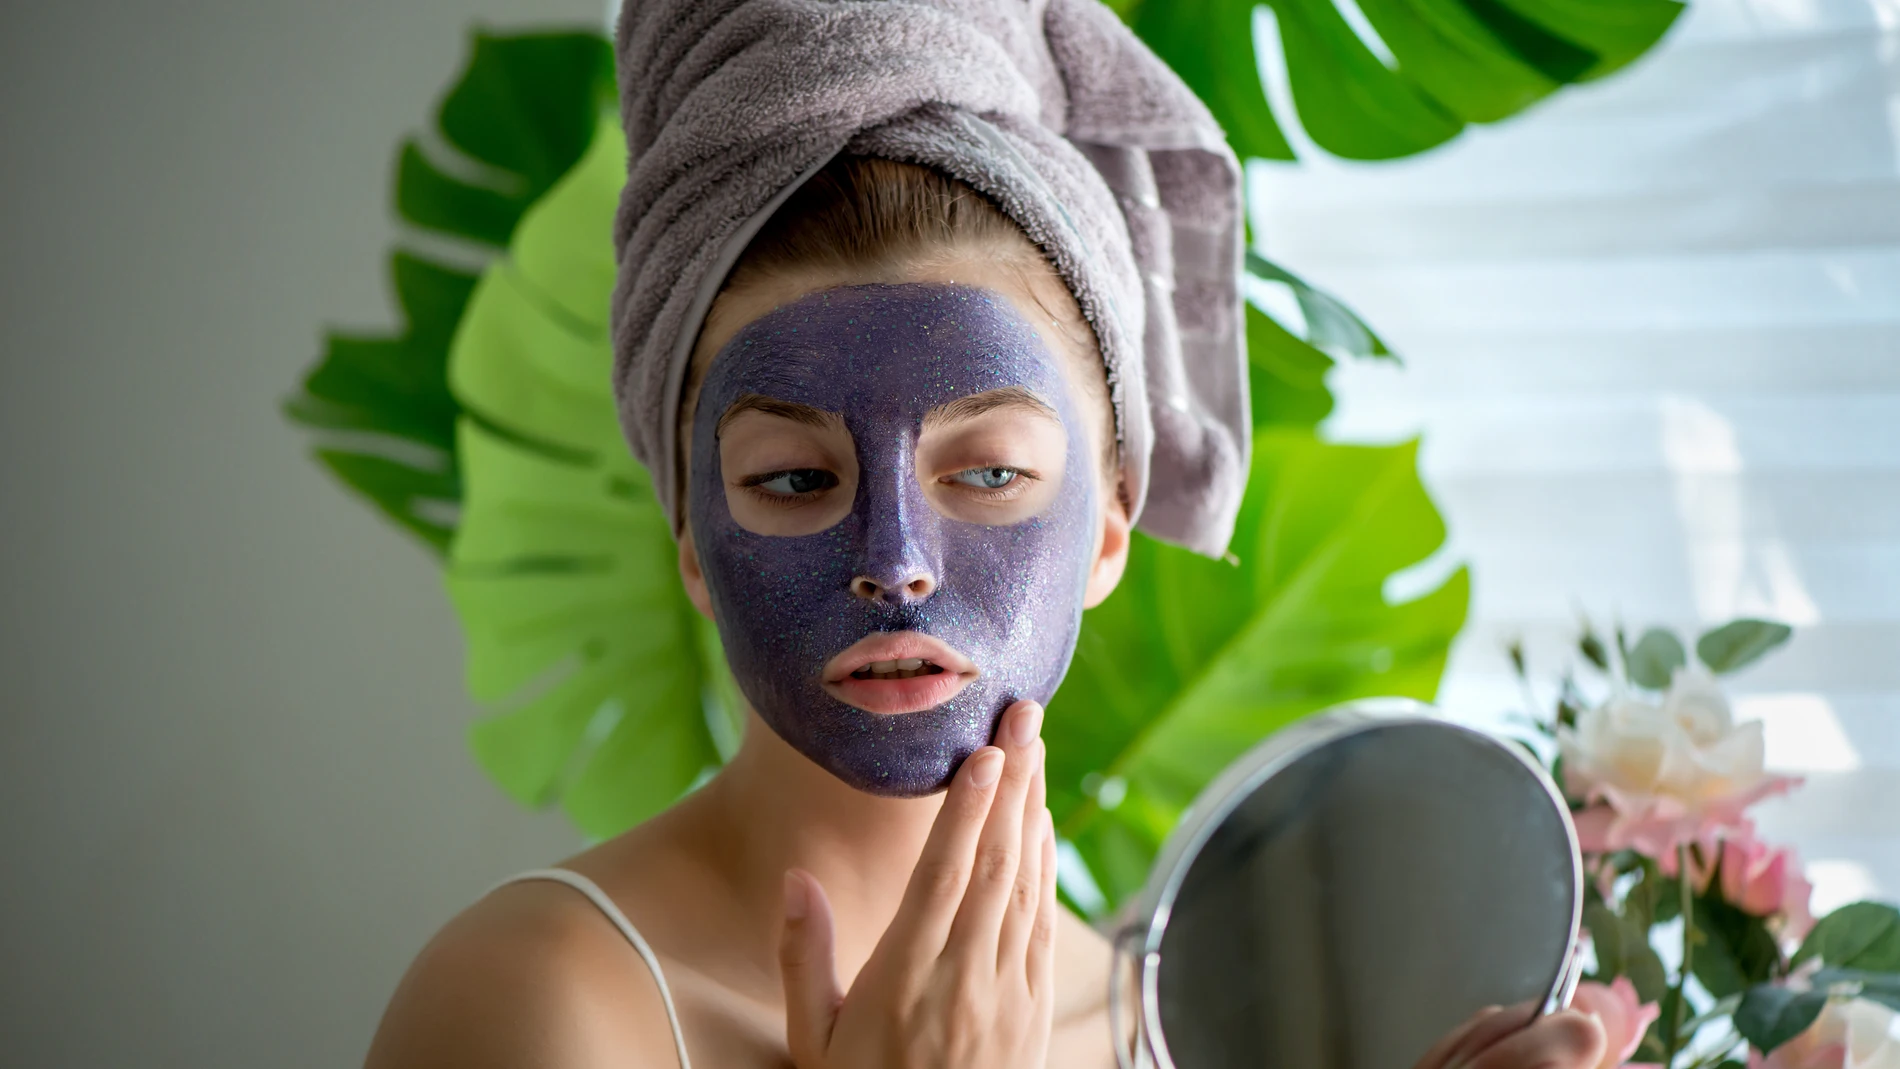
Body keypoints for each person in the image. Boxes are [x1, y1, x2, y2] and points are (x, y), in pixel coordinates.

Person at [362, 156, 1613, 1069]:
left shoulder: (1153, 1029)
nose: (895, 563)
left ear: (1110, 533)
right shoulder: (540, 1005)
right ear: (693, 545)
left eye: (987, 472)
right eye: (794, 479)